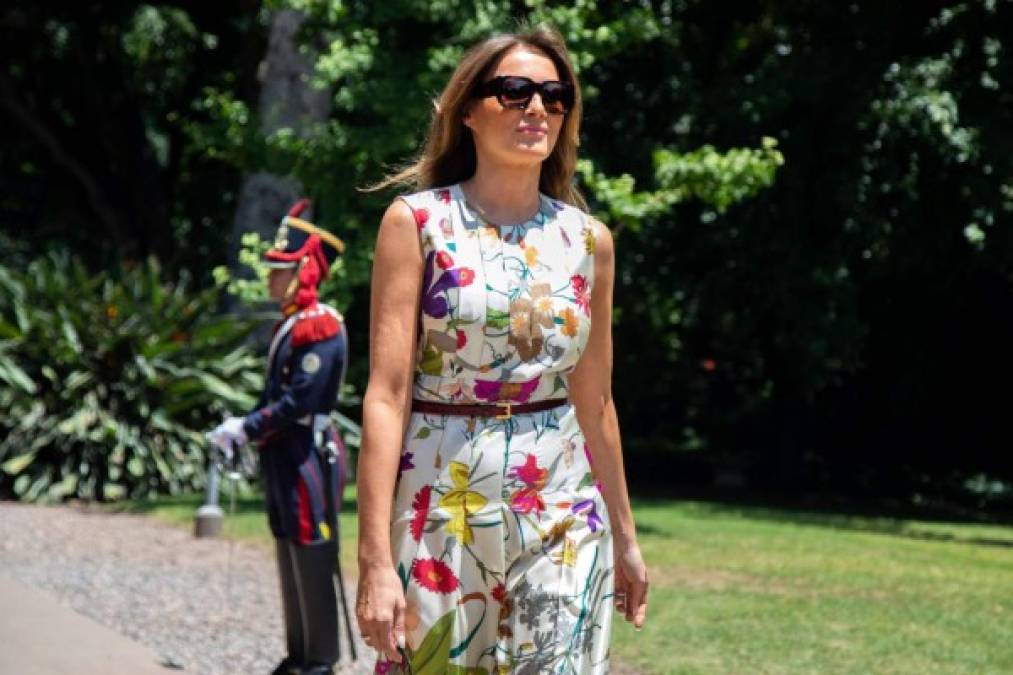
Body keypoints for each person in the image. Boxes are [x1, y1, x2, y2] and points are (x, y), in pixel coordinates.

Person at [355, 24, 649, 674]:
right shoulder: (417, 224)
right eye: (513, 91)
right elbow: (385, 395)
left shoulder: (588, 241)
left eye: (554, 94)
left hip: (562, 502)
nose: (536, 108)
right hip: (440, 494)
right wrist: (373, 558)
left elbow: (595, 397)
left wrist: (627, 539)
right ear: (468, 109)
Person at [210, 200, 350, 675]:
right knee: (287, 544)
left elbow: (300, 402)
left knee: (311, 548)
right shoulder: (291, 325)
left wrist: (247, 428)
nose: (271, 279)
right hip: (284, 451)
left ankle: (320, 661)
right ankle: (299, 654)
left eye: (281, 270)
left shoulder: (321, 326)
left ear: (305, 271)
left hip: (308, 452)